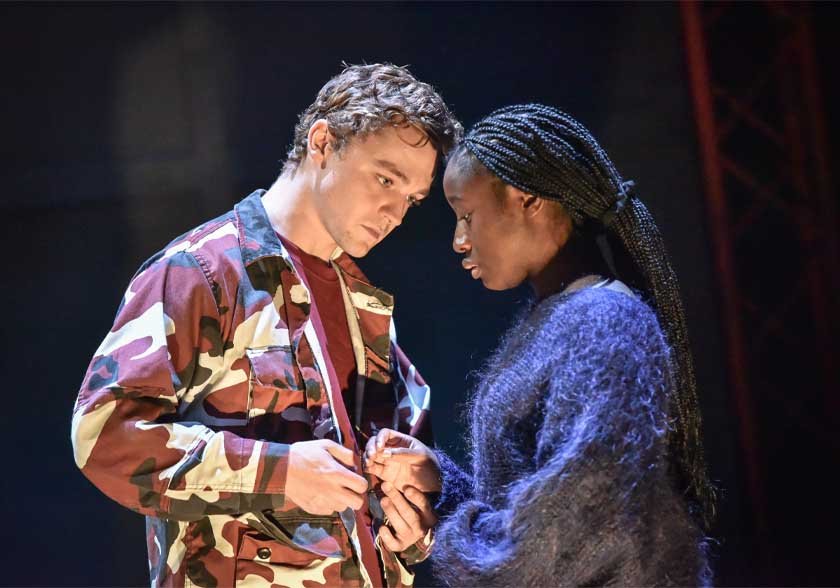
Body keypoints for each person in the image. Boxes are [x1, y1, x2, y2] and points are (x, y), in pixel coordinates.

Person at [71, 63, 461, 588]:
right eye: (385, 179)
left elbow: (417, 483)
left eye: (411, 199)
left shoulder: (363, 306)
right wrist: (282, 472)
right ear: (323, 143)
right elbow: (104, 436)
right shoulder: (202, 272)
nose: (395, 212)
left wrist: (414, 521)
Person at [364, 104, 716, 586]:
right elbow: (541, 506)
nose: (459, 241)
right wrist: (442, 486)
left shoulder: (603, 322)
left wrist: (445, 530)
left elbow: (570, 531)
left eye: (467, 215)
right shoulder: (560, 316)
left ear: (527, 199)